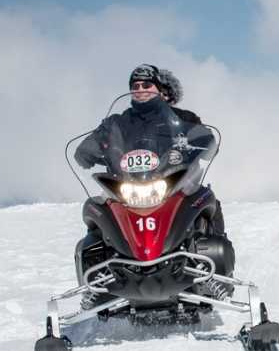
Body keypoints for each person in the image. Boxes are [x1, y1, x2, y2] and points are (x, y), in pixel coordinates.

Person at [74, 64, 225, 231]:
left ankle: (215, 248)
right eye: (135, 86)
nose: (140, 89)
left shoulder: (183, 118)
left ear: (159, 89)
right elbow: (95, 142)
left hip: (173, 185)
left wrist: (200, 144)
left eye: (146, 85)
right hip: (127, 189)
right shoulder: (117, 122)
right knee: (98, 210)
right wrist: (88, 151)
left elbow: (206, 140)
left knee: (205, 198)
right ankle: (98, 254)